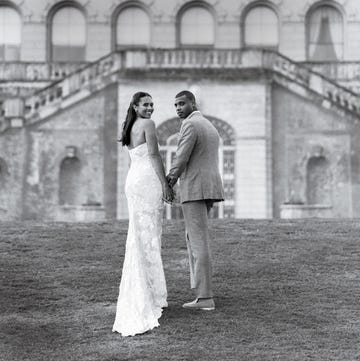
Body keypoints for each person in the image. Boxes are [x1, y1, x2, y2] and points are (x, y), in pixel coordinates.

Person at [112, 92, 173, 336]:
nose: (150, 108)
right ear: (135, 106)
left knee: (140, 237)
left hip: (133, 181)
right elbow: (155, 156)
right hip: (146, 181)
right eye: (145, 104)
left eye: (152, 105)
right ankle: (151, 294)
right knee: (149, 238)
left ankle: (152, 292)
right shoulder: (147, 124)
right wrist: (166, 184)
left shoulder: (128, 125)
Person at [167, 90, 224, 311]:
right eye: (175, 105)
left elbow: (181, 157)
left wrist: (169, 182)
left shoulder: (190, 125)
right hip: (208, 187)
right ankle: (202, 292)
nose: (178, 108)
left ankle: (205, 297)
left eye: (182, 103)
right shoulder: (209, 125)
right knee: (195, 238)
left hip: (195, 188)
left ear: (193, 103)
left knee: (198, 242)